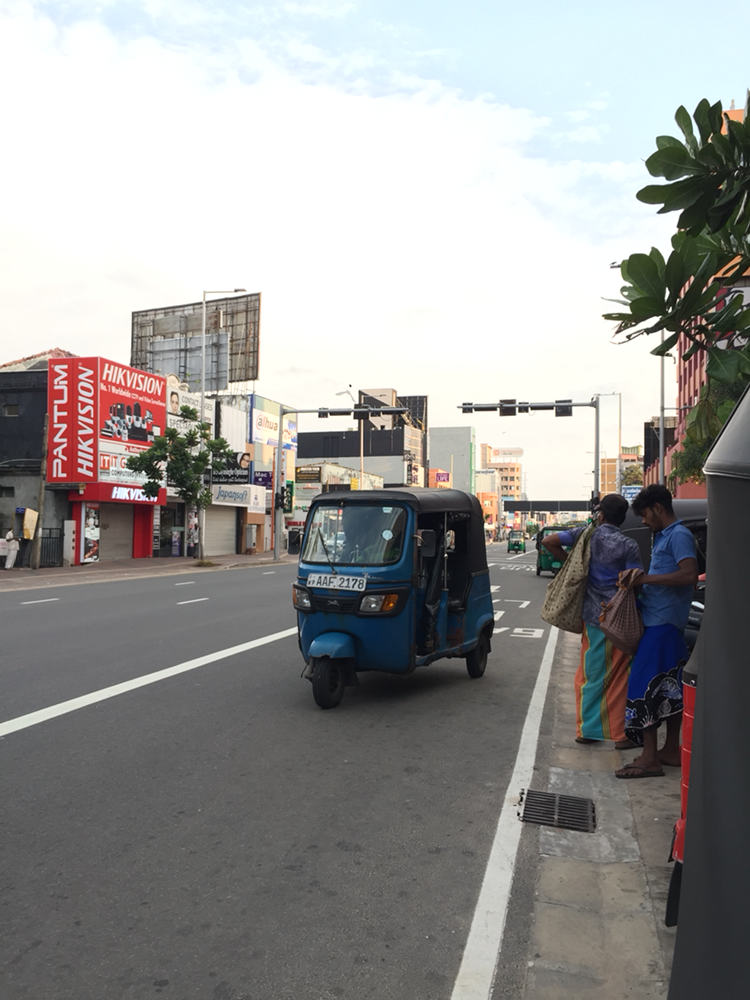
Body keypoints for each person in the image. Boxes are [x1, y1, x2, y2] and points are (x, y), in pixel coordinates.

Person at [543, 494, 643, 747]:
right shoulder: (628, 545)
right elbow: (636, 579)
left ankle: (587, 730)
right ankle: (618, 734)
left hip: (592, 617)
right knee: (619, 675)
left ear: (601, 515)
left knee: (591, 673)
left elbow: (548, 541)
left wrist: (574, 565)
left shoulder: (585, 535)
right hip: (619, 617)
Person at [615, 484, 698, 779]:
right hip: (661, 622)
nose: (644, 520)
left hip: (662, 625)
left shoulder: (679, 535)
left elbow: (689, 575)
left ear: (658, 508)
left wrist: (645, 579)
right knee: (669, 689)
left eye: (645, 514)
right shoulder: (664, 536)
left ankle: (650, 757)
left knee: (644, 687)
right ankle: (670, 750)